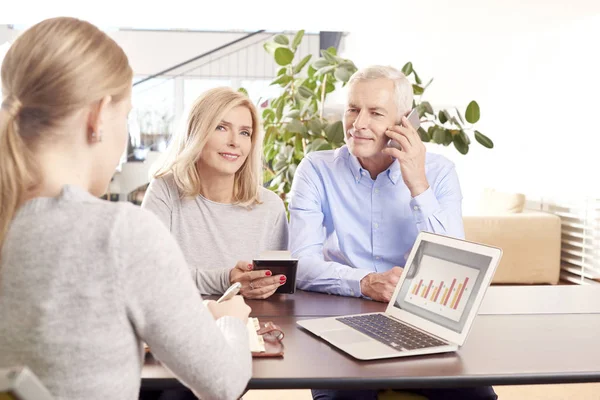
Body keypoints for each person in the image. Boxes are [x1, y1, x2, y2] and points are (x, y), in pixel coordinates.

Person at [0, 17, 252, 400]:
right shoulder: (120, 233)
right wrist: (231, 322)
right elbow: (225, 383)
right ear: (98, 116)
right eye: (127, 116)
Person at [288, 65, 496, 400]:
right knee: (343, 399)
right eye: (353, 109)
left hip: (419, 320)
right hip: (339, 314)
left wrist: (417, 182)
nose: (358, 124)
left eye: (375, 113)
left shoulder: (439, 173)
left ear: (405, 122)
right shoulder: (316, 169)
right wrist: (366, 282)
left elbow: (455, 262)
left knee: (476, 398)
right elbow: (302, 263)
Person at [142, 87, 289, 300]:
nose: (235, 142)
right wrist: (227, 279)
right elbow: (149, 273)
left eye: (245, 132)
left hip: (249, 322)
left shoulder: (270, 206)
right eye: (221, 127)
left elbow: (275, 289)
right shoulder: (164, 190)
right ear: (196, 132)